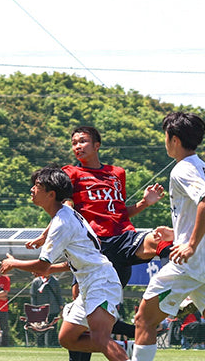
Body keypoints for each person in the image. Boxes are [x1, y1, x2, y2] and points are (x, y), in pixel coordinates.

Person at [27, 126, 168, 361]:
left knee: (159, 239)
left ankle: (172, 288)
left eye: (82, 141)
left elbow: (119, 213)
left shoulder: (117, 173)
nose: (77, 146)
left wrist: (145, 203)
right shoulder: (70, 173)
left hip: (122, 239)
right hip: (96, 246)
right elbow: (65, 211)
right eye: (74, 143)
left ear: (97, 145)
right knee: (83, 316)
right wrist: (46, 234)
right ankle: (133, 335)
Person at [131, 112, 205, 361]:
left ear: (174, 139)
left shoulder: (181, 169)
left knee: (144, 320)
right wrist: (178, 232)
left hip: (189, 263)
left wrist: (189, 244)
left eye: (165, 136)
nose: (165, 141)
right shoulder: (201, 166)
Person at [2, 166, 129, 361]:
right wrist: (47, 255)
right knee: (68, 338)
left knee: (100, 339)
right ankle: (123, 347)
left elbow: (42, 266)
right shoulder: (66, 212)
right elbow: (77, 259)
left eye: (37, 186)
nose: (32, 189)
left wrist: (13, 263)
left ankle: (121, 349)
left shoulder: (61, 222)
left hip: (101, 282)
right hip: (89, 284)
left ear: (51, 194)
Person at [30, 274, 63, 346]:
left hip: (53, 308)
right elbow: (33, 296)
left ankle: (52, 344)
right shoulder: (36, 281)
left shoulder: (55, 281)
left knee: (52, 328)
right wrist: (34, 308)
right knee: (40, 327)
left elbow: (58, 295)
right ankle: (40, 344)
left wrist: (61, 306)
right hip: (40, 309)